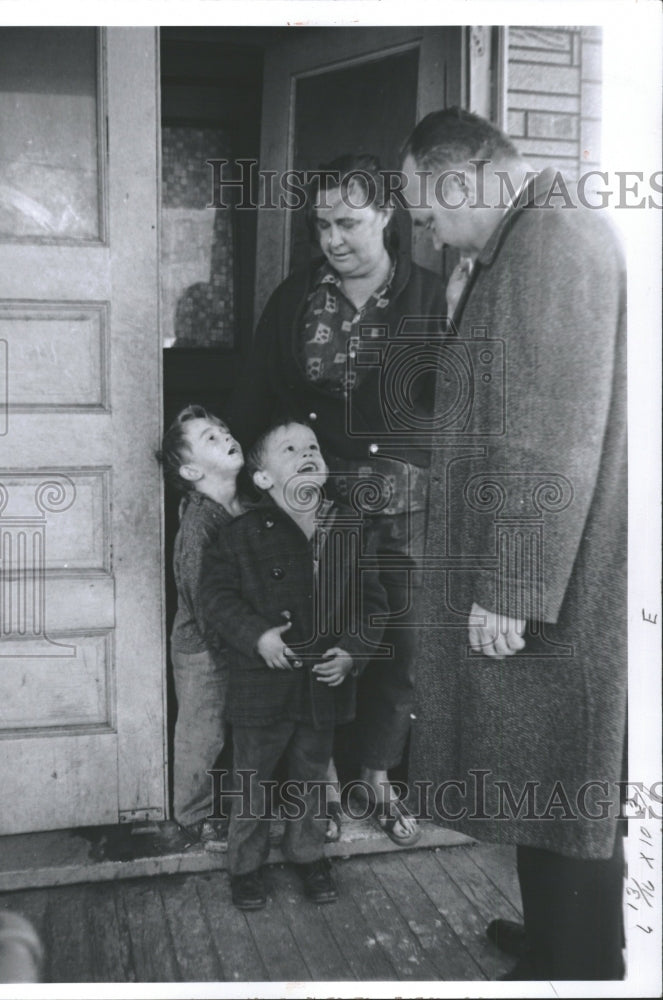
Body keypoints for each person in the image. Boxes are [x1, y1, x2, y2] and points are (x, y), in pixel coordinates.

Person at [400, 108, 627, 980]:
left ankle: (577, 966)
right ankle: (559, 939)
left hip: (551, 581)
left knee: (562, 774)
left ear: (459, 179)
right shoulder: (530, 239)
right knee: (543, 770)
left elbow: (550, 435)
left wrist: (511, 584)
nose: (426, 231)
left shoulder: (552, 245)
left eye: (426, 212)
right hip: (548, 572)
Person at [227, 153, 446, 846]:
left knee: (397, 641)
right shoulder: (294, 298)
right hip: (309, 506)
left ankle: (376, 773)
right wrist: (241, 490)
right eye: (321, 223)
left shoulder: (434, 298)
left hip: (401, 503)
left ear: (387, 214)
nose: (332, 238)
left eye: (348, 222)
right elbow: (256, 396)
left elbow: (462, 409)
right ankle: (312, 783)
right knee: (313, 636)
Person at [200, 421, 388, 910]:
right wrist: (257, 636)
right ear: (262, 479)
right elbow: (215, 598)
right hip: (262, 686)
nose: (306, 453)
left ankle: (308, 854)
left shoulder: (348, 528)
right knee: (253, 777)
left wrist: (352, 652)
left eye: (313, 447)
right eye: (289, 449)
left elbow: (372, 605)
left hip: (321, 687)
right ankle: (245, 865)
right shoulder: (240, 535)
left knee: (309, 776)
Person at [157, 404, 245, 844]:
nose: (226, 436)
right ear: (191, 471)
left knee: (239, 723)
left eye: (224, 429)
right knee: (202, 730)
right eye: (210, 438)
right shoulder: (198, 524)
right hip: (203, 648)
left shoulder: (245, 505)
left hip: (236, 638)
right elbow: (199, 595)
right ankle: (193, 812)